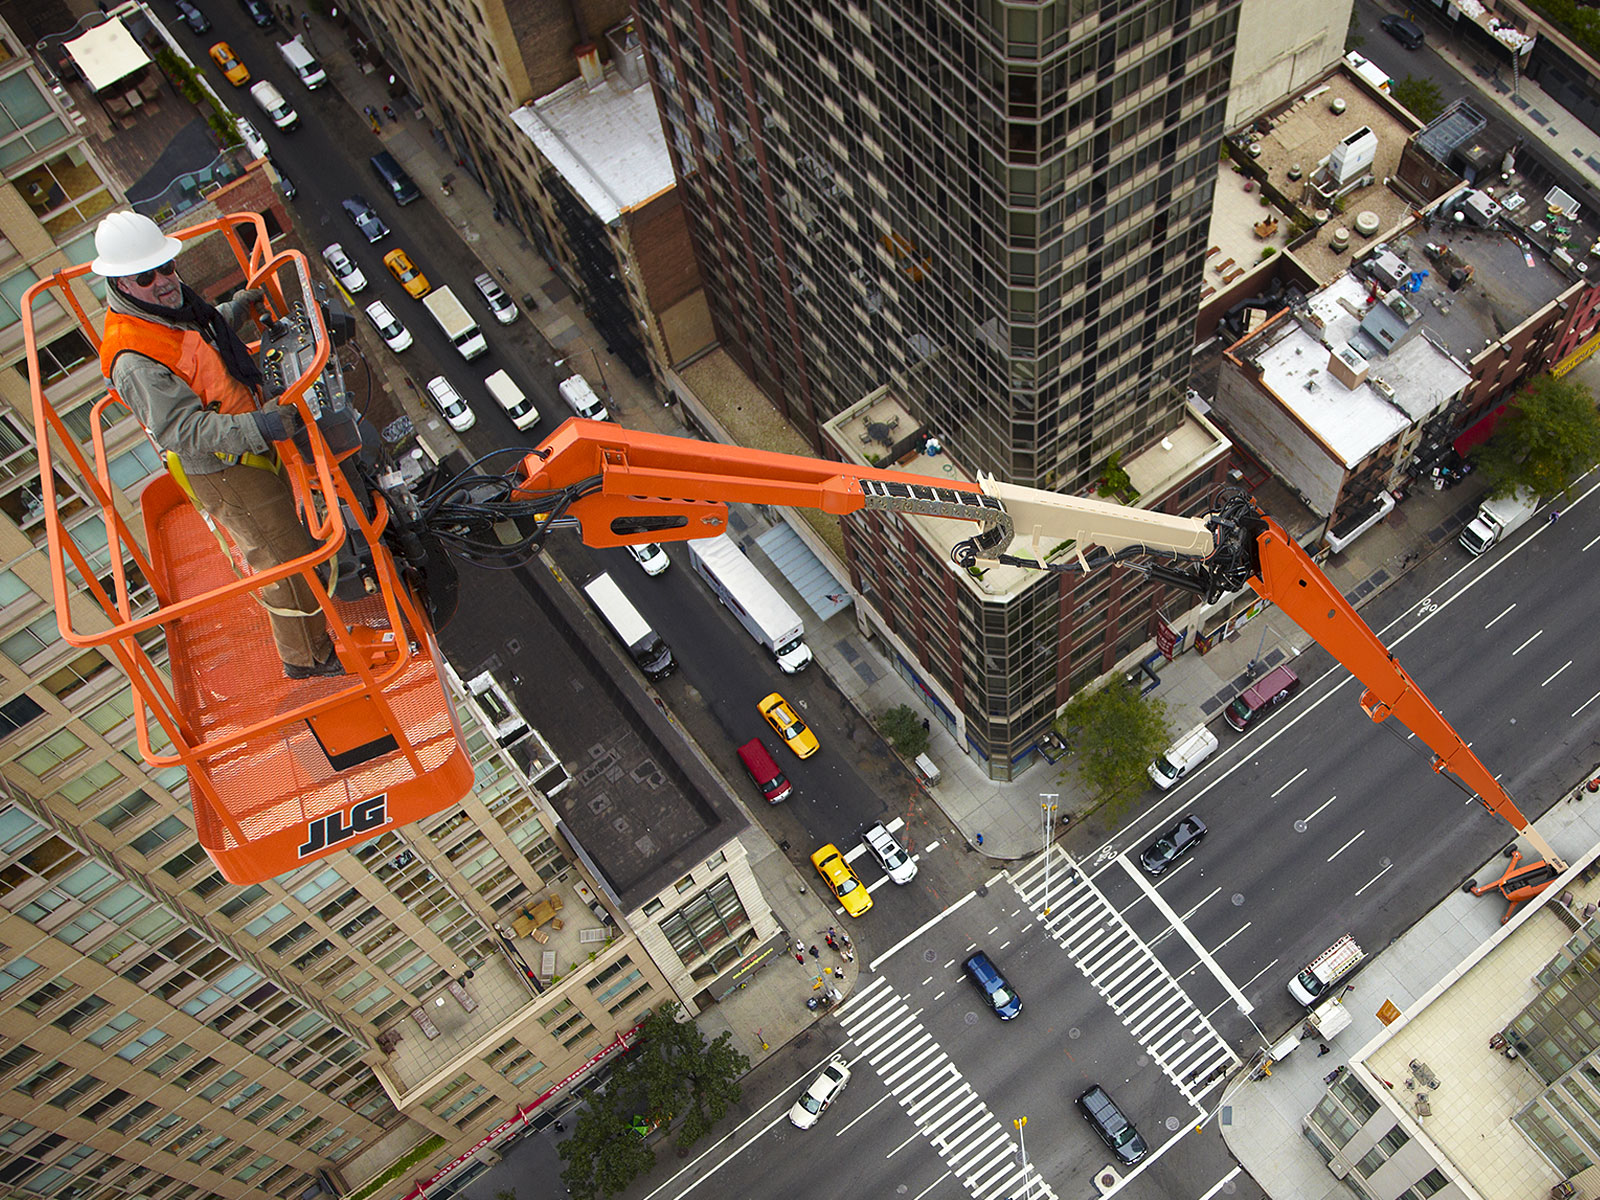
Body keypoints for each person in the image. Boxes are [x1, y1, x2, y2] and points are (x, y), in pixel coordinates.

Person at [92, 212, 340, 679]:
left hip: (242, 437)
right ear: (122, 284)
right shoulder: (133, 357)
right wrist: (260, 428)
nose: (164, 281)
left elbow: (201, 346)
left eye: (167, 267)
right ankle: (307, 659)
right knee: (284, 558)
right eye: (147, 276)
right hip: (224, 465)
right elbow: (180, 430)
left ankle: (315, 634)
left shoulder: (170, 309)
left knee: (290, 538)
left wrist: (234, 310)